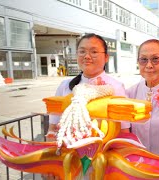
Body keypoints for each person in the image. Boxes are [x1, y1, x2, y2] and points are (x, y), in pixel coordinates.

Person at [43, 33, 127, 179]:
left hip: (103, 163)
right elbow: (52, 128)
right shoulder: (65, 86)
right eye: (82, 51)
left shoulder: (116, 87)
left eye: (94, 52)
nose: (87, 56)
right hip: (68, 161)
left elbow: (124, 132)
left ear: (106, 57)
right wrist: (51, 161)